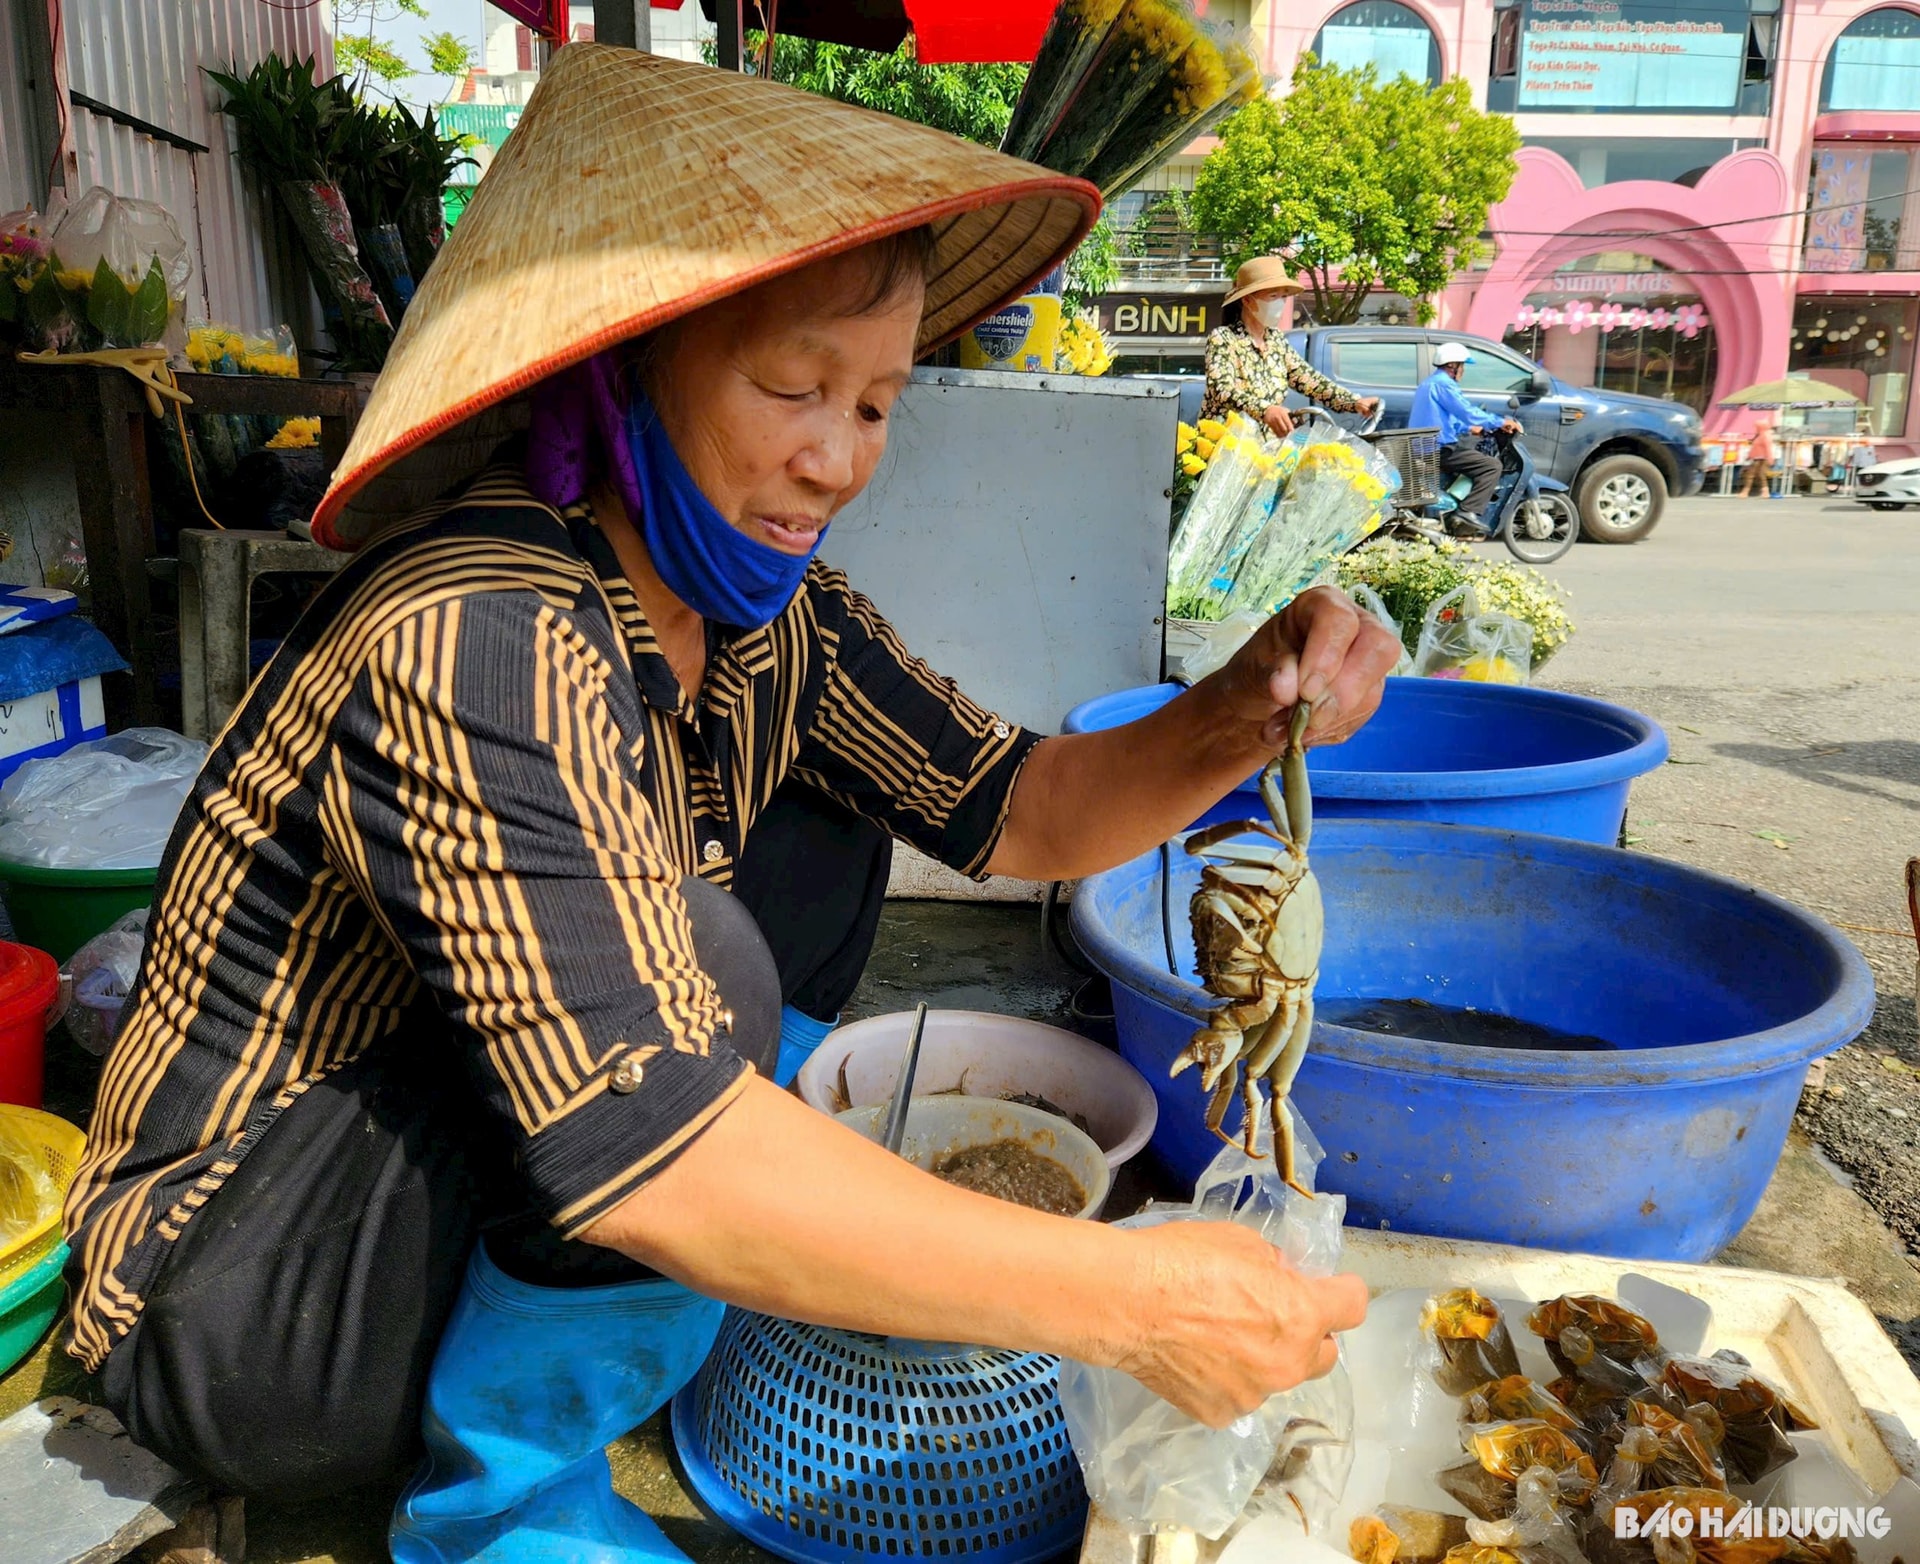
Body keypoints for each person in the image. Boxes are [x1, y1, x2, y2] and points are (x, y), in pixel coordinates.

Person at [62, 46, 1400, 1564]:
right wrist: (1135, 1302)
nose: (835, 461)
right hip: (241, 1299)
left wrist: (1243, 701)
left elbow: (1025, 806)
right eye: (791, 387)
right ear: (624, 369)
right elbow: (661, 1133)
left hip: (445, 1192)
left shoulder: (775, 622)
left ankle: (650, 1305)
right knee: (709, 980)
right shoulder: (479, 628)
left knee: (827, 843)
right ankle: (499, 1509)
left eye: (879, 404)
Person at [1202, 255, 1382, 437]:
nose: (1280, 303)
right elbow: (1222, 389)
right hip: (1226, 449)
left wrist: (1354, 402)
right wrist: (1265, 410)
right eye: (1273, 296)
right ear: (1247, 301)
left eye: (1283, 297)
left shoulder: (1276, 341)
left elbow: (1309, 380)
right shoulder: (1224, 339)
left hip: (1264, 452)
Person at [1409, 342, 1522, 536]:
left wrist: (1471, 428)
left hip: (1424, 446)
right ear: (1453, 366)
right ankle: (1466, 511)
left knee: (1471, 458)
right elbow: (1466, 411)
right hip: (1437, 449)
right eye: (1462, 366)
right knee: (1491, 466)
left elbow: (1450, 419)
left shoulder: (1429, 383)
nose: (1463, 370)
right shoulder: (1444, 384)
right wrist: (1499, 422)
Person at [1738, 417, 1776, 498]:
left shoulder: (1764, 436)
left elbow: (1768, 448)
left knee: (1750, 475)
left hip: (1759, 459)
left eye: (1756, 427)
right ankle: (1765, 492)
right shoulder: (1762, 435)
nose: (1755, 428)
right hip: (1759, 458)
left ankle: (1745, 491)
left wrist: (1770, 459)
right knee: (1760, 475)